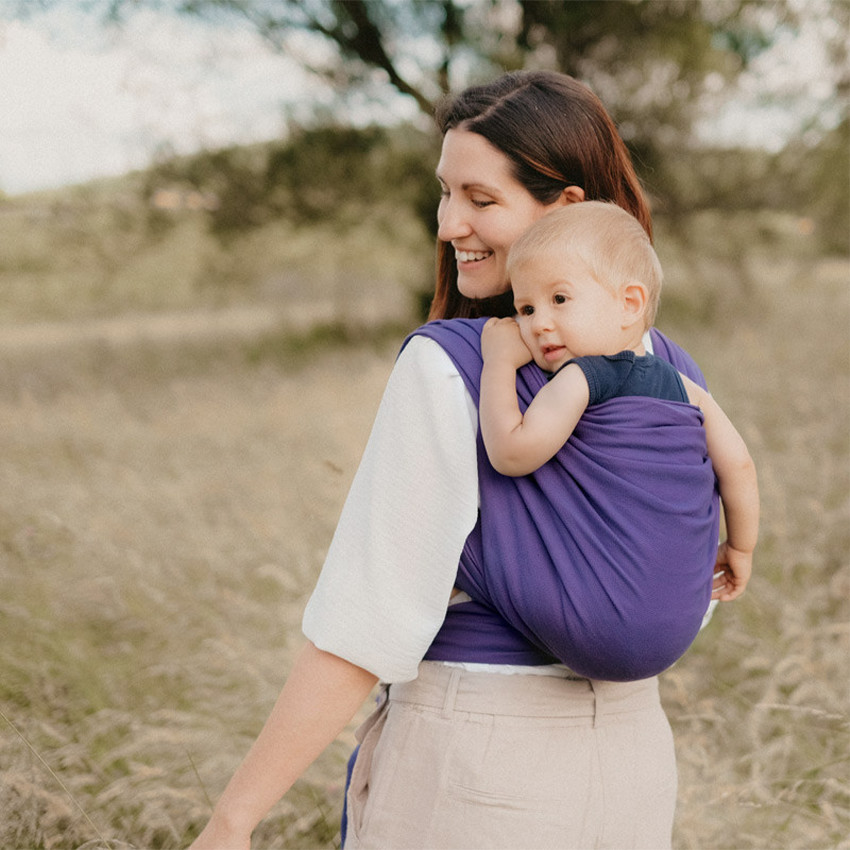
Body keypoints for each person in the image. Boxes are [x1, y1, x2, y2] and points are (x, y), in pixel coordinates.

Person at [188, 70, 747, 850]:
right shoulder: (667, 368)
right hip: (631, 766)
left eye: (482, 200)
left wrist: (234, 817)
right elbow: (677, 581)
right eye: (445, 194)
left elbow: (367, 619)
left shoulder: (449, 365)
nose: (451, 224)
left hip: (476, 766)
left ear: (566, 208)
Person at [473, 201, 757, 676]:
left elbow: (511, 453)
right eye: (525, 308)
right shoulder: (683, 387)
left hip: (596, 628)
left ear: (629, 304)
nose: (538, 323)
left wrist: (500, 363)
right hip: (677, 628)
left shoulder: (585, 376)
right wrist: (741, 548)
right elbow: (740, 466)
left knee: (466, 535)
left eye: (559, 300)